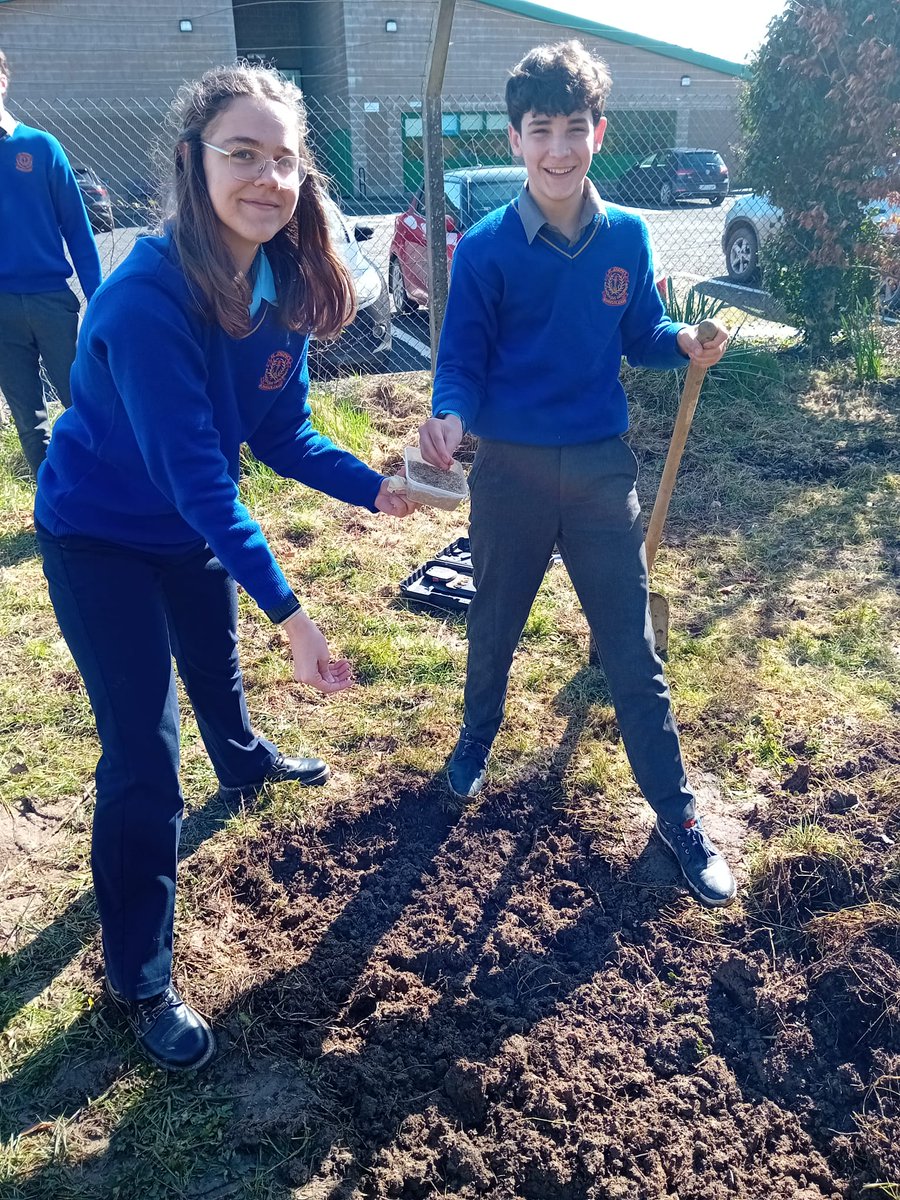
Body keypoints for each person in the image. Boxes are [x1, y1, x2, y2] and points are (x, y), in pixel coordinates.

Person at [35, 63, 417, 1072]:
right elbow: (202, 477)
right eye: (242, 153)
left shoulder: (278, 279)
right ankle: (138, 977)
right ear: (193, 161)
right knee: (144, 759)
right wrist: (294, 614)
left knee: (216, 672)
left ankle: (244, 761)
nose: (267, 176)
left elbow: (280, 431)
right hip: (101, 533)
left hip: (184, 530)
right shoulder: (146, 299)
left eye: (283, 157)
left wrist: (372, 486)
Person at [419, 40, 737, 909]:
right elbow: (462, 361)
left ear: (597, 132)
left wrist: (681, 342)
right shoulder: (484, 249)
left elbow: (642, 331)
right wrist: (448, 414)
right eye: (539, 131)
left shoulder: (627, 234)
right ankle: (476, 741)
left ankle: (676, 818)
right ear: (517, 138)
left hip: (600, 474)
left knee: (631, 653)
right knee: (495, 622)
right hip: (510, 476)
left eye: (572, 129)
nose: (557, 149)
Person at [0, 46, 102, 477]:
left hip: (51, 303)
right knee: (28, 414)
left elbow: (78, 230)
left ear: (3, 80)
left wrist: (99, 299)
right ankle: (52, 497)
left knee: (83, 401)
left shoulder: (41, 147)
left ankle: (104, 486)